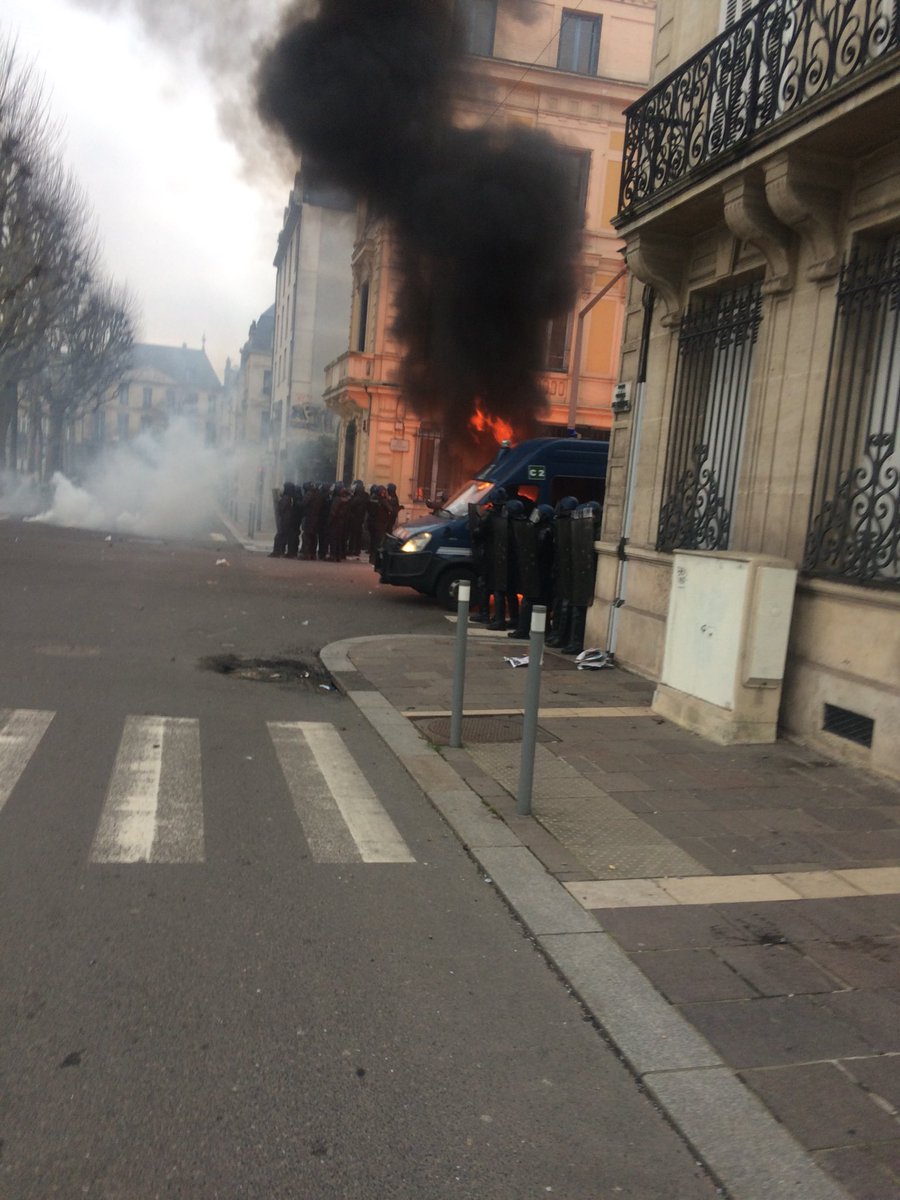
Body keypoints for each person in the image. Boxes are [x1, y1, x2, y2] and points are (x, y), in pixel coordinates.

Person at [268, 482, 294, 557]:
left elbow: (280, 508)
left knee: (279, 536)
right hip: (287, 519)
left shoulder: (286, 498)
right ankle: (281, 551)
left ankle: (276, 551)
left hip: (284, 519)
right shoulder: (290, 497)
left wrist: (279, 500)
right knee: (283, 536)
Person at [346, 480, 367, 559]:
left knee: (353, 536)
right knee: (358, 536)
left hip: (354, 519)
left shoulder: (356, 498)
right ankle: (357, 551)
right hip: (360, 519)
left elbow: (351, 506)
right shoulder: (365, 496)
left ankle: (351, 550)